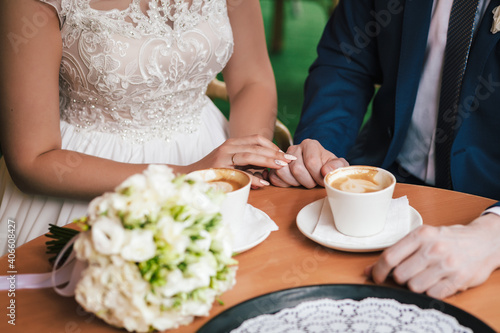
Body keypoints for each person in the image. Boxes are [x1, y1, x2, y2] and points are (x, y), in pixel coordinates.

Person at [0, 0, 297, 256]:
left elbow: (251, 78)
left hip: (213, 155)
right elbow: (32, 159)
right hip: (86, 179)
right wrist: (183, 178)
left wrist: (243, 162)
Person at [270, 0, 500, 299]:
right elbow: (346, 60)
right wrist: (320, 146)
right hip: (381, 175)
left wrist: (493, 237)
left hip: (488, 206)